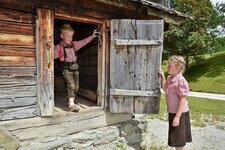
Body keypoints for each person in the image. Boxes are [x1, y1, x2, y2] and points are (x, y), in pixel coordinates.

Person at [54, 23, 98, 112]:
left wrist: (92, 37)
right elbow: (52, 55)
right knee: (71, 85)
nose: (70, 38)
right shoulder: (59, 47)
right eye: (68, 36)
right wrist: (51, 48)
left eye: (71, 36)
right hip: (66, 69)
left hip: (75, 69)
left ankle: (71, 97)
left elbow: (83, 42)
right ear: (62, 36)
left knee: (76, 87)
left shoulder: (74, 44)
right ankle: (71, 104)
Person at [159, 55, 192, 150]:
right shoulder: (170, 78)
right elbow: (165, 88)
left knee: (179, 140)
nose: (167, 67)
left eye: (169, 66)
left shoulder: (181, 81)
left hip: (180, 113)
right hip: (173, 112)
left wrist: (177, 117)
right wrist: (162, 76)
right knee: (176, 138)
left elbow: (183, 99)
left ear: (178, 68)